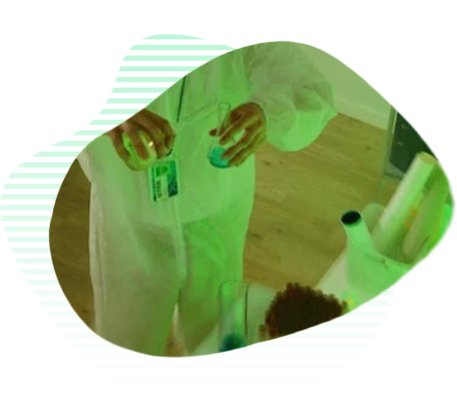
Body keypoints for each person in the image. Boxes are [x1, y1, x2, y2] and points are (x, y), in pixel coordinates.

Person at [77, 39, 337, 356]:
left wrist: (267, 113)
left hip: (214, 214)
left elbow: (309, 89)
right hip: (128, 217)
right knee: (125, 344)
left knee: (214, 337)